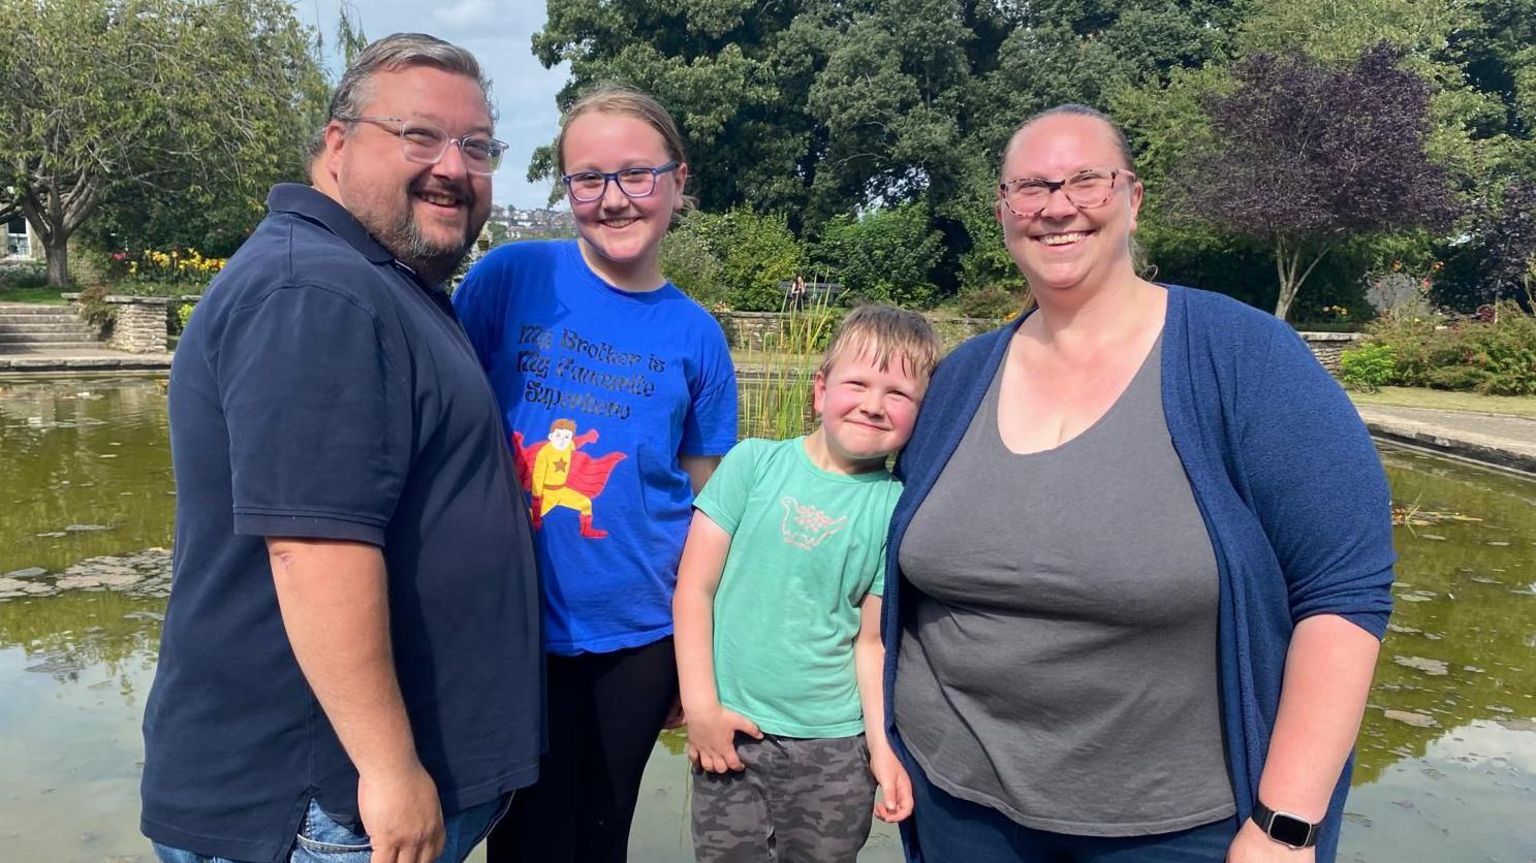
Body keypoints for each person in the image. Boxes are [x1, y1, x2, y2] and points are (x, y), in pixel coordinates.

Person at [882, 104, 1395, 863]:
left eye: (1085, 180)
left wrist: (1286, 824)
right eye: (1031, 187)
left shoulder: (1243, 358)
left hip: (1174, 829)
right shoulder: (961, 378)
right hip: (955, 804)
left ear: (1133, 197)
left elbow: (1345, 590)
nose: (1057, 205)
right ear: (1002, 210)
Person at [141, 33, 542, 863]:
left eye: (477, 145)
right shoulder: (317, 290)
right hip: (324, 806)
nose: (453, 167)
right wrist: (391, 769)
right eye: (420, 136)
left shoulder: (379, 280)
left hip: (345, 802)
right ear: (336, 143)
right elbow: (315, 546)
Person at [452, 86, 738, 862]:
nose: (613, 200)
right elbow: (442, 428)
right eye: (588, 178)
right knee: (523, 832)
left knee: (605, 827)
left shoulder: (698, 335)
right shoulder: (509, 278)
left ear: (678, 183)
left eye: (637, 175)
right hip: (513, 628)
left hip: (641, 633)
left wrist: (699, 659)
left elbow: (711, 506)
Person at [675, 305, 941, 862]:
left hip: (834, 750)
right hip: (732, 734)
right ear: (821, 390)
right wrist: (701, 710)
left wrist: (881, 750)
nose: (873, 404)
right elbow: (694, 591)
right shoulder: (752, 464)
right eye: (858, 383)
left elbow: (870, 643)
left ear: (921, 413)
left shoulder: (898, 508)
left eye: (898, 394)